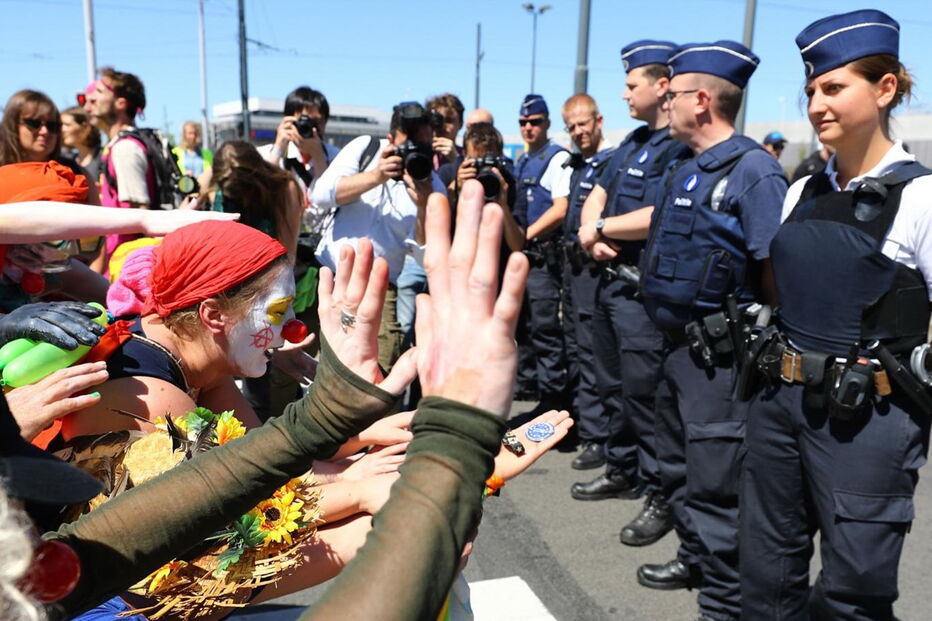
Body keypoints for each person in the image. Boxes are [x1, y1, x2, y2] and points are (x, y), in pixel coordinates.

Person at [2, 182, 569, 621]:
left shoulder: (202, 364)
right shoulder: (147, 393)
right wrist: (412, 489)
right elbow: (214, 559)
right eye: (276, 313)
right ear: (213, 315)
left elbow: (260, 470)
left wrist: (367, 440)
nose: (289, 331)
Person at [739, 10, 932, 619]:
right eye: (812, 91)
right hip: (780, 408)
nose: (818, 103)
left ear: (885, 89)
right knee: (767, 578)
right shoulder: (803, 191)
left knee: (854, 594)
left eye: (834, 87)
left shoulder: (921, 196)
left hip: (869, 420)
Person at [601, 41, 786, 619]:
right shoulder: (684, 167)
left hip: (721, 360)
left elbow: (776, 273)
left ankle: (723, 601)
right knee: (678, 467)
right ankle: (695, 557)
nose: (667, 100)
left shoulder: (753, 171)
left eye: (675, 92)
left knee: (717, 485)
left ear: (701, 100)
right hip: (676, 351)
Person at [574, 41, 689, 551]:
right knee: (610, 384)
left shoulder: (677, 148)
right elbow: (599, 189)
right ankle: (622, 468)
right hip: (608, 284)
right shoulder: (633, 142)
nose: (623, 94)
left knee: (647, 398)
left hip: (642, 292)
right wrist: (590, 231)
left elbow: (656, 216)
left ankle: (662, 492)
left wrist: (599, 227)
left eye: (631, 84)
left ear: (661, 86)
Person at [311, 101, 444, 370]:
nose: (415, 154)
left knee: (379, 370)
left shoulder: (432, 184)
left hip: (380, 290)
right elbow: (320, 195)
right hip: (331, 278)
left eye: (423, 147)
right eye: (409, 146)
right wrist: (375, 176)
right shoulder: (367, 149)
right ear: (391, 139)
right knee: (304, 360)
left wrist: (422, 206)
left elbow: (426, 256)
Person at [556, 93, 614, 464]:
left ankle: (598, 435)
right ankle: (586, 422)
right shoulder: (576, 164)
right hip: (571, 270)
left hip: (596, 273)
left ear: (599, 121)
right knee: (576, 350)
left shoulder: (612, 163)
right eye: (571, 127)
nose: (578, 132)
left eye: (583, 124)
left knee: (594, 354)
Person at [514, 94, 572, 410]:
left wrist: (524, 236)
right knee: (523, 327)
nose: (528, 128)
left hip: (542, 257)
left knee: (545, 330)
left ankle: (554, 403)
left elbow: (561, 208)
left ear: (547, 123)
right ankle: (530, 389)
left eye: (535, 122)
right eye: (523, 123)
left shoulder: (557, 158)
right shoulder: (524, 160)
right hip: (524, 257)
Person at [85, 67, 155, 263]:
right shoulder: (117, 145)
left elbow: (141, 214)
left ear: (121, 103)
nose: (91, 98)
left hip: (127, 263)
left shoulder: (125, 148)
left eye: (99, 92)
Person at [194, 140, 304, 260]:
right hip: (222, 265)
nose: (240, 201)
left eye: (243, 192)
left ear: (257, 178)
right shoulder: (217, 175)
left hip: (265, 268)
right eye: (231, 197)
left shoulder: (284, 189)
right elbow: (184, 212)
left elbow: (288, 255)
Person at [259, 86, 339, 206]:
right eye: (304, 121)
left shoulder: (338, 157)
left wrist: (318, 156)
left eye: (317, 122)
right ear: (288, 120)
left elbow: (332, 198)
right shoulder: (265, 155)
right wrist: (278, 149)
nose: (312, 128)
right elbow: (259, 194)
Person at [61, 105, 103, 184]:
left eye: (67, 125)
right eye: (60, 125)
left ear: (85, 126)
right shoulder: (70, 162)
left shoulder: (103, 157)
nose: (62, 130)